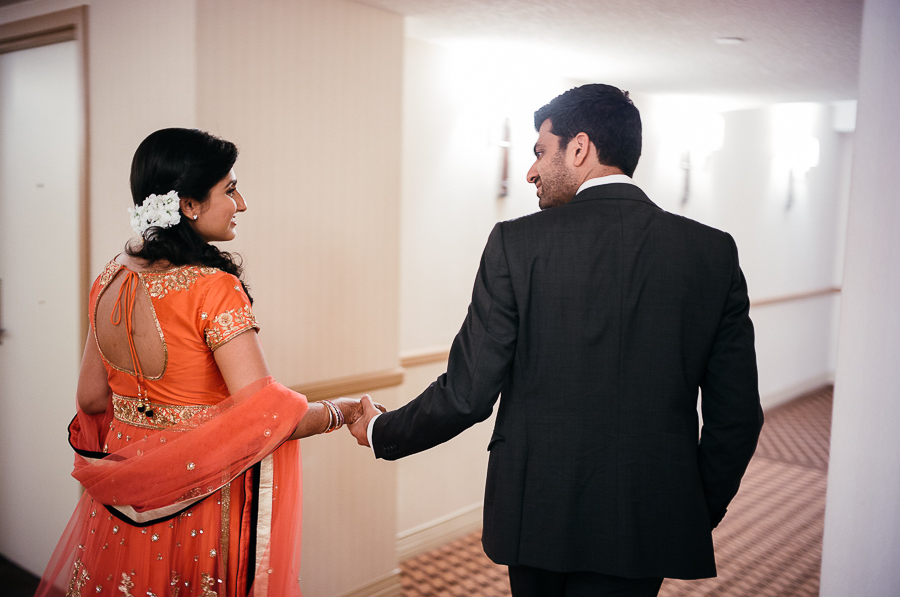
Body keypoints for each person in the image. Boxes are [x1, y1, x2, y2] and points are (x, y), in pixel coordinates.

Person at [349, 84, 764, 596]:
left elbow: (468, 391)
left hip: (536, 511)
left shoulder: (516, 244)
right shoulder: (711, 253)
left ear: (580, 148)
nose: (531, 172)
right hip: (648, 515)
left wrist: (381, 431)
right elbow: (737, 416)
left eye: (540, 152)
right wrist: (694, 508)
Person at [36, 128, 373, 597]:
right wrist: (347, 410)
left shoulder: (109, 279)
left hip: (121, 498)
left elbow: (91, 397)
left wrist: (148, 437)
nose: (242, 203)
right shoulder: (213, 288)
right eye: (230, 190)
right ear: (189, 205)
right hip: (198, 497)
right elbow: (266, 413)